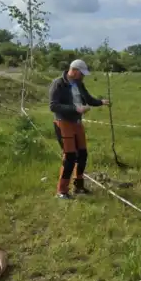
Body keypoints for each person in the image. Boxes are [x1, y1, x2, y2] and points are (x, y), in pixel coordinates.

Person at [49, 58, 110, 199]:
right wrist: (75, 108)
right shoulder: (58, 84)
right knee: (70, 157)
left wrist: (101, 102)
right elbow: (53, 106)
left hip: (77, 123)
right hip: (63, 123)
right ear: (74, 71)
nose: (83, 76)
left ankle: (79, 186)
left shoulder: (79, 84)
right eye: (81, 73)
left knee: (82, 154)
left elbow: (88, 99)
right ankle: (62, 191)